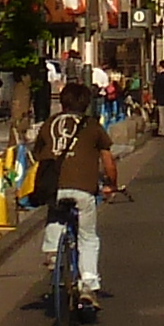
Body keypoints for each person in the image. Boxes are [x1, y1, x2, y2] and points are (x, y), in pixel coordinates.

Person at [30, 75, 119, 306]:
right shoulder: (92, 126)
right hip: (84, 189)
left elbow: (37, 153)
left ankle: (51, 252)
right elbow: (108, 161)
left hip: (54, 185)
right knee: (87, 236)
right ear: (87, 104)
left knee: (56, 212)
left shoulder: (50, 123)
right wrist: (111, 184)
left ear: (62, 102)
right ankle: (88, 285)